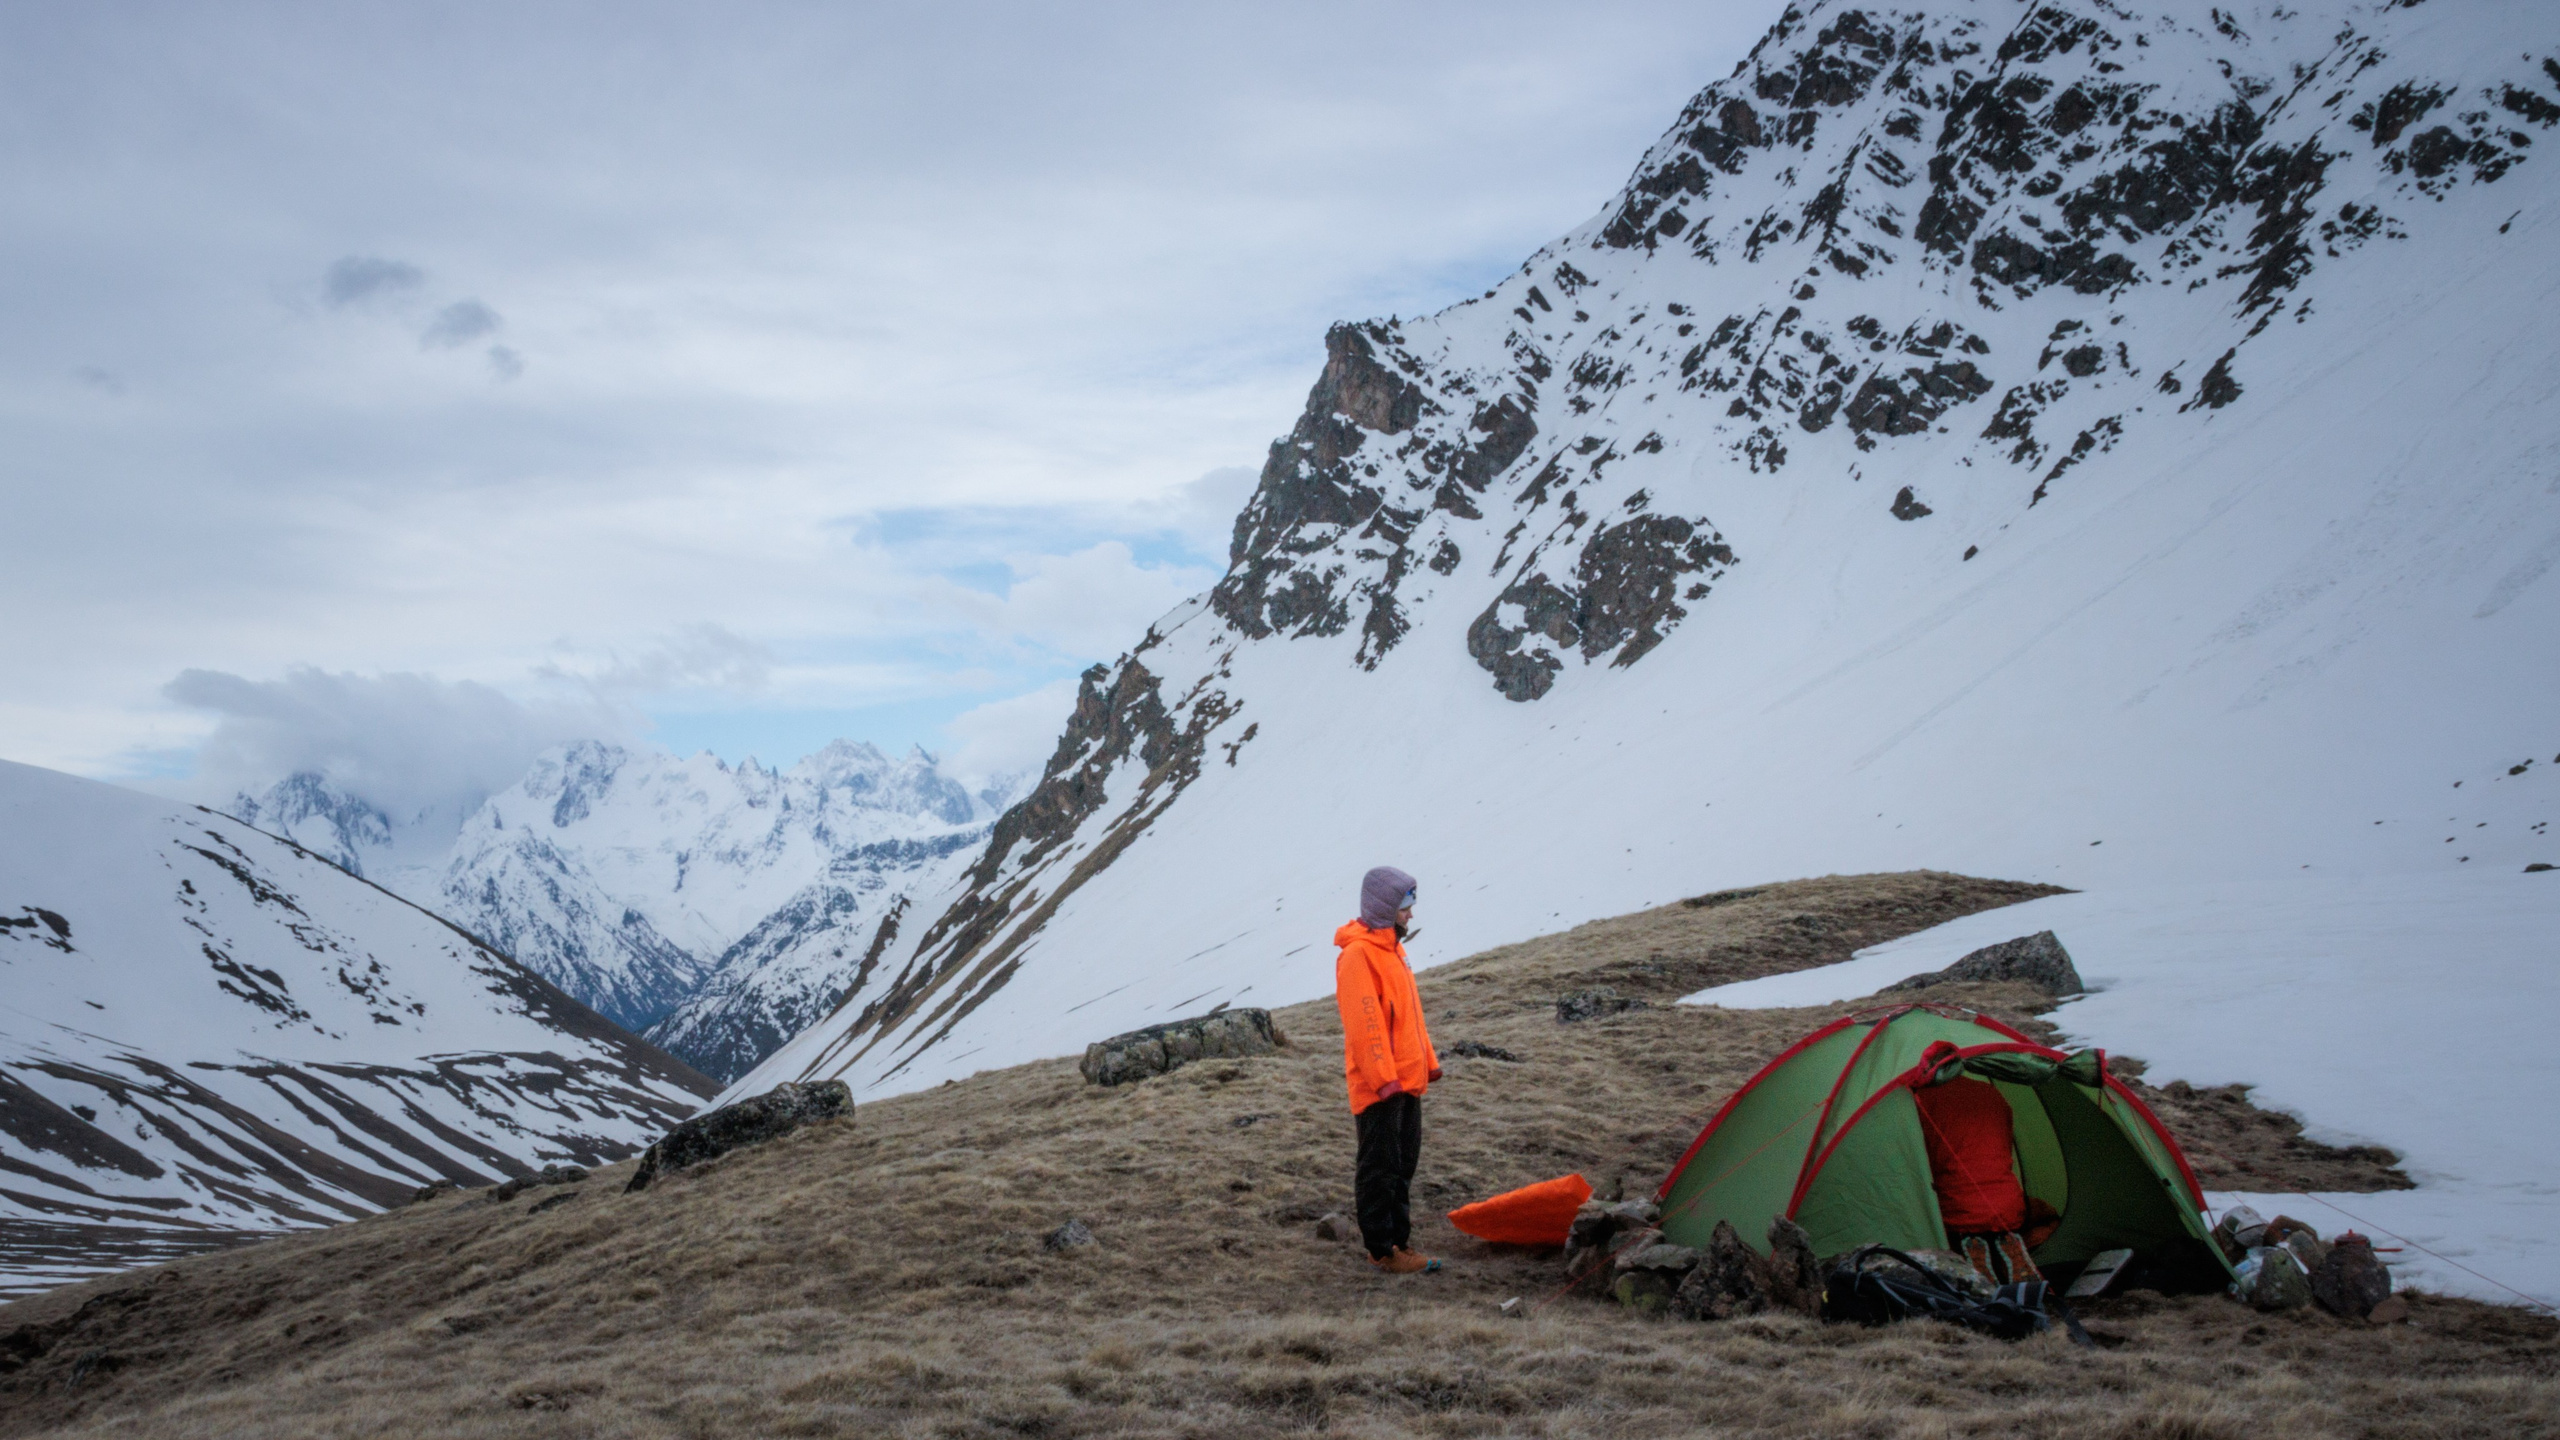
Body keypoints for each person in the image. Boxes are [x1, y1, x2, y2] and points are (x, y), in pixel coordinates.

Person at [1334, 865, 1442, 1274]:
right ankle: (1383, 1250)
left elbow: (1411, 1016)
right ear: (1385, 908)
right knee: (1380, 1168)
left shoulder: (1395, 950)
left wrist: (1427, 1064)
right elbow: (1366, 1027)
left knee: (1404, 1164)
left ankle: (1399, 1242)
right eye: (1405, 906)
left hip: (1407, 1082)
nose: (1411, 914)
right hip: (1382, 1088)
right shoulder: (1358, 956)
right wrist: (1385, 1082)